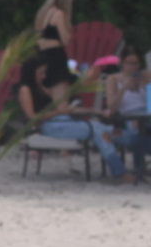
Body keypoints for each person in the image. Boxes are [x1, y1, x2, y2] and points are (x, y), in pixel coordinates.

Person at [16, 52, 131, 182]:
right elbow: (32, 117)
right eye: (41, 72)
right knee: (99, 130)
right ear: (31, 72)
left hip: (63, 120)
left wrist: (95, 111)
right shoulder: (25, 89)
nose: (44, 76)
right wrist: (57, 113)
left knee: (106, 130)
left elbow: (67, 110)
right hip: (46, 126)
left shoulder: (45, 87)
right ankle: (123, 169)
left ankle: (134, 152)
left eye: (44, 72)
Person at [101, 47, 150, 177]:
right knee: (137, 129)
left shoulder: (145, 76)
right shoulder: (114, 79)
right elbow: (112, 108)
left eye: (136, 63)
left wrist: (144, 86)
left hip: (146, 113)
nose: (133, 67)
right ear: (122, 63)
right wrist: (124, 88)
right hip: (126, 116)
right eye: (129, 63)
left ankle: (140, 166)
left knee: (143, 125)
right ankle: (139, 167)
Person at [34, 0, 75, 88]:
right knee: (61, 97)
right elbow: (66, 40)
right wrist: (68, 26)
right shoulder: (59, 14)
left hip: (41, 54)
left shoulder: (43, 12)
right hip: (55, 57)